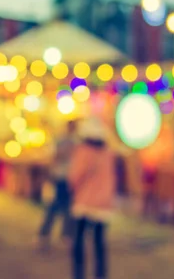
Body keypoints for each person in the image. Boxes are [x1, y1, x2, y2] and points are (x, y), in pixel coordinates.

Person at [68, 118, 117, 279]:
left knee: (78, 242)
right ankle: (101, 275)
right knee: (99, 243)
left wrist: (73, 189)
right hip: (103, 203)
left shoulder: (83, 151)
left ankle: (78, 274)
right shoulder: (107, 153)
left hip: (84, 202)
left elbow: (75, 176)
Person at [37, 120, 77, 249]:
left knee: (63, 208)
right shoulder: (63, 141)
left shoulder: (74, 142)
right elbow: (54, 157)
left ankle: (60, 235)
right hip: (61, 177)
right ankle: (49, 234)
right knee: (57, 207)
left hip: (67, 178)